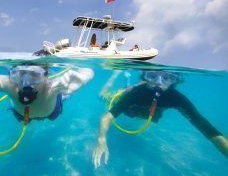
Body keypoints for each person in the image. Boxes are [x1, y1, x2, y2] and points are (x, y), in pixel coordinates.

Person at [92, 70, 228, 168]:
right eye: (152, 76)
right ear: (145, 77)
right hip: (132, 107)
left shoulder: (176, 98)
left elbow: (204, 126)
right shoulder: (137, 93)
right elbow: (107, 116)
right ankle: (115, 74)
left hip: (147, 111)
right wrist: (101, 139)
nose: (158, 83)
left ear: (175, 80)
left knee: (152, 114)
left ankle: (129, 82)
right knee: (100, 96)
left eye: (166, 78)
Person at [0, 65, 94, 124]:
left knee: (62, 94)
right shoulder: (10, 84)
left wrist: (82, 79)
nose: (25, 82)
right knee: (18, 111)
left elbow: (88, 71)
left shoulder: (54, 85)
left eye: (35, 75)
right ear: (12, 74)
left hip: (51, 111)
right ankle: (12, 103)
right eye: (19, 74)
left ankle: (66, 96)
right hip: (22, 114)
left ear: (46, 76)